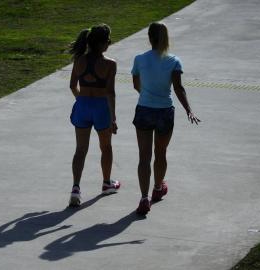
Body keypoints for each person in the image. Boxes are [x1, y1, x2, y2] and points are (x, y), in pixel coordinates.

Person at [131, 22, 200, 215]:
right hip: (164, 112)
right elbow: (178, 88)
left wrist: (146, 95)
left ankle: (144, 198)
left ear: (149, 37)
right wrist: (188, 109)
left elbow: (136, 84)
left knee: (144, 156)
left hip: (144, 109)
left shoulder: (139, 59)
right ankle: (158, 188)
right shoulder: (174, 61)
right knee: (160, 152)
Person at [68, 24, 120, 207]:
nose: (110, 43)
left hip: (82, 105)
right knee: (106, 147)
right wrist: (113, 118)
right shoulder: (110, 64)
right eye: (108, 40)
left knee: (80, 149)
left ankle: (75, 188)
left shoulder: (78, 60)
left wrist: (80, 100)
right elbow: (110, 93)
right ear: (102, 43)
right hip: (101, 108)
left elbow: (73, 85)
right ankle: (107, 183)